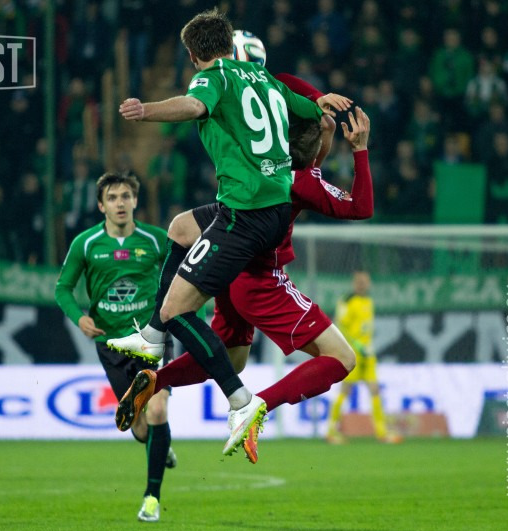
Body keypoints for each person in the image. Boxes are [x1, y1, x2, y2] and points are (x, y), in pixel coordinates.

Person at [107, 8, 340, 457]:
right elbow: (318, 118)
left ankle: (240, 400)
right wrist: (321, 116)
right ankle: (152, 339)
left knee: (176, 310)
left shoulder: (214, 77)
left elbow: (194, 105)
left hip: (245, 212)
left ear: (193, 55)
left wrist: (145, 111)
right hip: (270, 206)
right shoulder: (266, 79)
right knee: (181, 228)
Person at [116, 102, 372, 463]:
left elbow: (317, 142)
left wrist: (319, 117)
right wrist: (360, 150)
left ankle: (157, 379)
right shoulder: (301, 182)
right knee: (342, 358)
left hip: (226, 265)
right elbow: (360, 206)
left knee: (231, 360)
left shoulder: (255, 164)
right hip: (261, 282)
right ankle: (257, 406)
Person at [54, 173, 176, 522]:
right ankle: (160, 445)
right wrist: (79, 318)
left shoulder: (156, 240)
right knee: (139, 426)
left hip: (152, 337)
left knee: (157, 410)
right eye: (112, 197)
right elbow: (63, 289)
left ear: (135, 201)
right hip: (111, 345)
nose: (120, 203)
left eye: (125, 196)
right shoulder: (86, 243)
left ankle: (152, 498)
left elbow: (185, 276)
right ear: (100, 205)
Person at [326, 271, 402, 444]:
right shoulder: (347, 301)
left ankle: (382, 433)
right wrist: (355, 344)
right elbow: (340, 325)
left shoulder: (369, 301)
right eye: (360, 282)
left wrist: (366, 346)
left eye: (365, 282)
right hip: (352, 352)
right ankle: (331, 431)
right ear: (354, 283)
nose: (363, 285)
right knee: (345, 390)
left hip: (368, 353)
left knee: (375, 389)